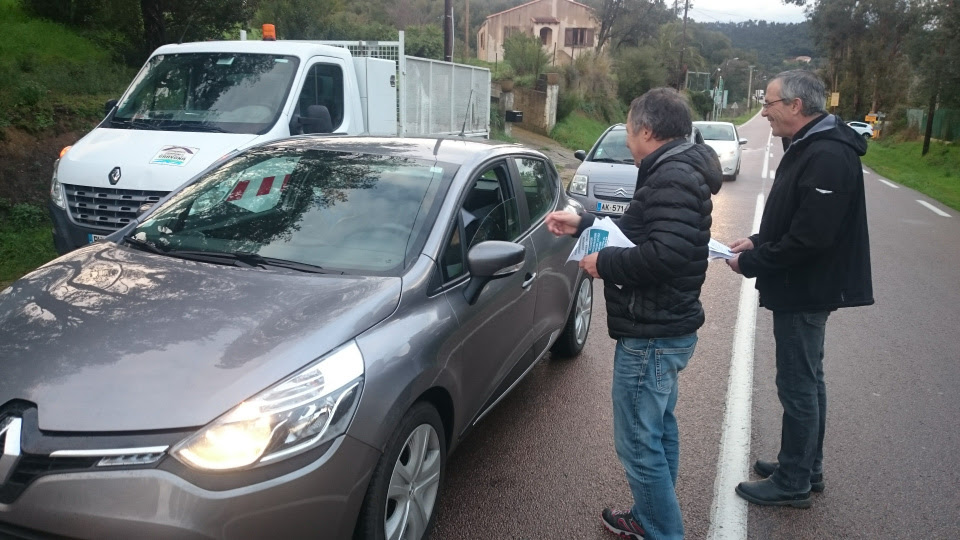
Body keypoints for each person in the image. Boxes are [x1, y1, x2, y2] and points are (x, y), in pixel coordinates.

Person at [546, 88, 722, 540]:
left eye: (628, 129)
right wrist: (583, 225)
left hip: (653, 332)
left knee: (639, 442)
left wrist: (602, 264)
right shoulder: (674, 169)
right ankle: (652, 516)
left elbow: (666, 254)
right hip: (664, 325)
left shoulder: (671, 175)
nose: (626, 140)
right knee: (657, 430)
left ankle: (662, 529)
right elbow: (642, 232)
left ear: (646, 130)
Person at [726, 70, 874, 508]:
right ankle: (806, 465)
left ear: (795, 105)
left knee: (798, 385)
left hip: (806, 287)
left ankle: (793, 481)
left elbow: (812, 238)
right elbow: (797, 218)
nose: (764, 111)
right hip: (803, 283)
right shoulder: (812, 144)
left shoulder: (826, 153)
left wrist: (752, 261)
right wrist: (758, 240)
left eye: (769, 103)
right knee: (809, 381)